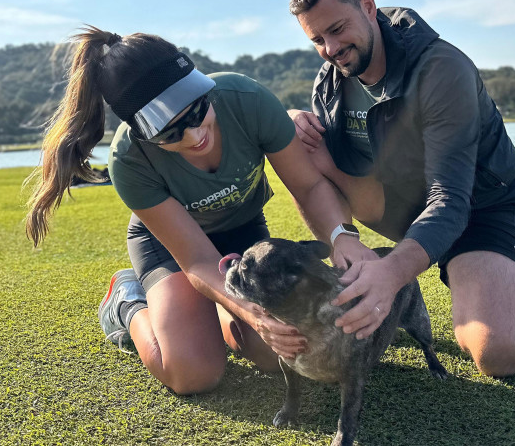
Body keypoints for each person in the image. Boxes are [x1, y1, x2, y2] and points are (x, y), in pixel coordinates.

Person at [25, 27, 376, 395]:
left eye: (197, 111)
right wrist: (252, 313)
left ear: (201, 86)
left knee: (280, 353)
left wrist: (342, 239)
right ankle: (127, 303)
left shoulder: (246, 99)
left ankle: (213, 310)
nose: (194, 137)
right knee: (193, 373)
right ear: (142, 132)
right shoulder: (129, 162)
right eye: (169, 133)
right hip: (172, 248)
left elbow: (310, 186)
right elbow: (195, 259)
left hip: (241, 229)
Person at [287, 0, 515, 376]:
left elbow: (451, 199)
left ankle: (454, 275)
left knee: (500, 354)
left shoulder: (442, 69)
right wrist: (295, 120)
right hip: (400, 206)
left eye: (337, 29)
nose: (331, 48)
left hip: (479, 209)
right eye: (317, 39)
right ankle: (367, 262)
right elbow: (321, 172)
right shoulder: (330, 83)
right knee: (296, 138)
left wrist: (391, 273)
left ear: (368, 5)